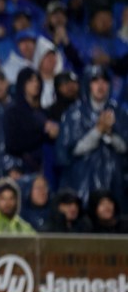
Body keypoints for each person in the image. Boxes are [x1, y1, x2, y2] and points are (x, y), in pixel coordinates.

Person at [55, 66, 128, 207]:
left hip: (115, 183)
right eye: (95, 81)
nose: (100, 85)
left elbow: (125, 147)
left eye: (105, 81)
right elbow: (67, 152)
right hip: (80, 182)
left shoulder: (120, 113)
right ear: (87, 84)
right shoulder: (74, 114)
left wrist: (110, 134)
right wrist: (98, 131)